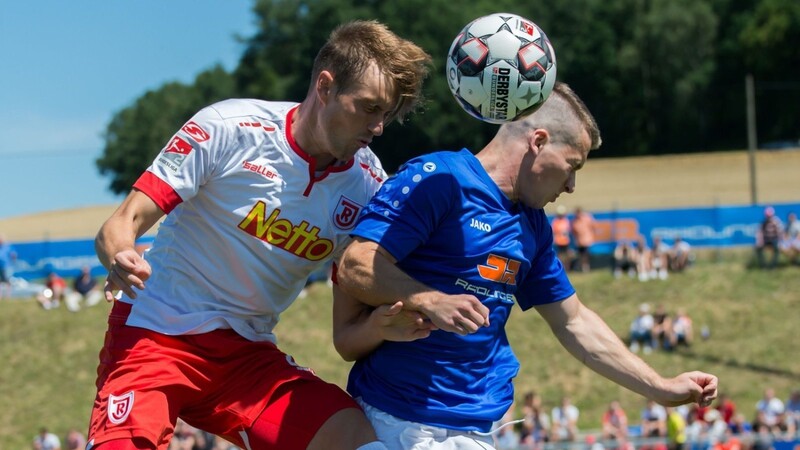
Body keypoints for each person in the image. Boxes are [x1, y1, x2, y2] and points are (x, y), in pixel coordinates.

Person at [86, 20, 431, 450]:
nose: (378, 126)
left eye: (387, 113)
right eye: (368, 107)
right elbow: (121, 223)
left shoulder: (368, 185)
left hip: (248, 359)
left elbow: (355, 311)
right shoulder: (229, 127)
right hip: (155, 334)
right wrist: (121, 256)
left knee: (359, 441)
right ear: (325, 87)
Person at [332, 82, 718, 449]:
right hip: (404, 422)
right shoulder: (441, 178)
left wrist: (659, 387)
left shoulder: (532, 224)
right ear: (538, 142)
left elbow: (573, 321)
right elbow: (355, 265)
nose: (570, 186)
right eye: (572, 166)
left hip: (476, 426)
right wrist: (430, 299)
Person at [571, 206, 596, 272]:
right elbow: (573, 231)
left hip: (587, 239)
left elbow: (593, 226)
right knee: (581, 255)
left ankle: (586, 267)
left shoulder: (587, 218)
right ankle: (582, 267)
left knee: (586, 254)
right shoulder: (574, 221)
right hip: (579, 241)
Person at [551, 205, 573, 270]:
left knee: (566, 255)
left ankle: (567, 268)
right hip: (559, 241)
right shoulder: (555, 221)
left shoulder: (566, 220)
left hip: (565, 241)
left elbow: (569, 230)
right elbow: (554, 231)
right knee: (560, 255)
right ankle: (561, 267)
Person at [0, 233, 16, 300]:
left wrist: (13, 258)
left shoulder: (7, 246)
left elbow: (13, 254)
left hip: (6, 266)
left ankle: (8, 296)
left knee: (7, 281)